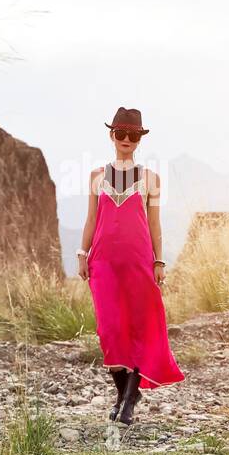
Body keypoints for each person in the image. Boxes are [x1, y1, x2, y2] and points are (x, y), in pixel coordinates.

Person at [76, 107, 184, 425]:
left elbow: (154, 224)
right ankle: (126, 392)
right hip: (104, 262)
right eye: (120, 133)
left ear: (139, 140)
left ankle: (127, 405)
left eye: (132, 135)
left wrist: (159, 260)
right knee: (110, 329)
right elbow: (91, 219)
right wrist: (82, 253)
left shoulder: (151, 179)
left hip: (139, 262)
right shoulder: (97, 176)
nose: (126, 139)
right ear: (112, 136)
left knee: (138, 326)